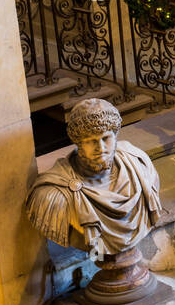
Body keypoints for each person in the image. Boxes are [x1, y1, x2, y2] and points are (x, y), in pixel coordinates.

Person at [24, 97, 161, 259]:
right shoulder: (52, 196)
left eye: (106, 138)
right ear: (78, 143)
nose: (101, 148)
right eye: (91, 141)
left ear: (115, 135)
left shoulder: (139, 164)